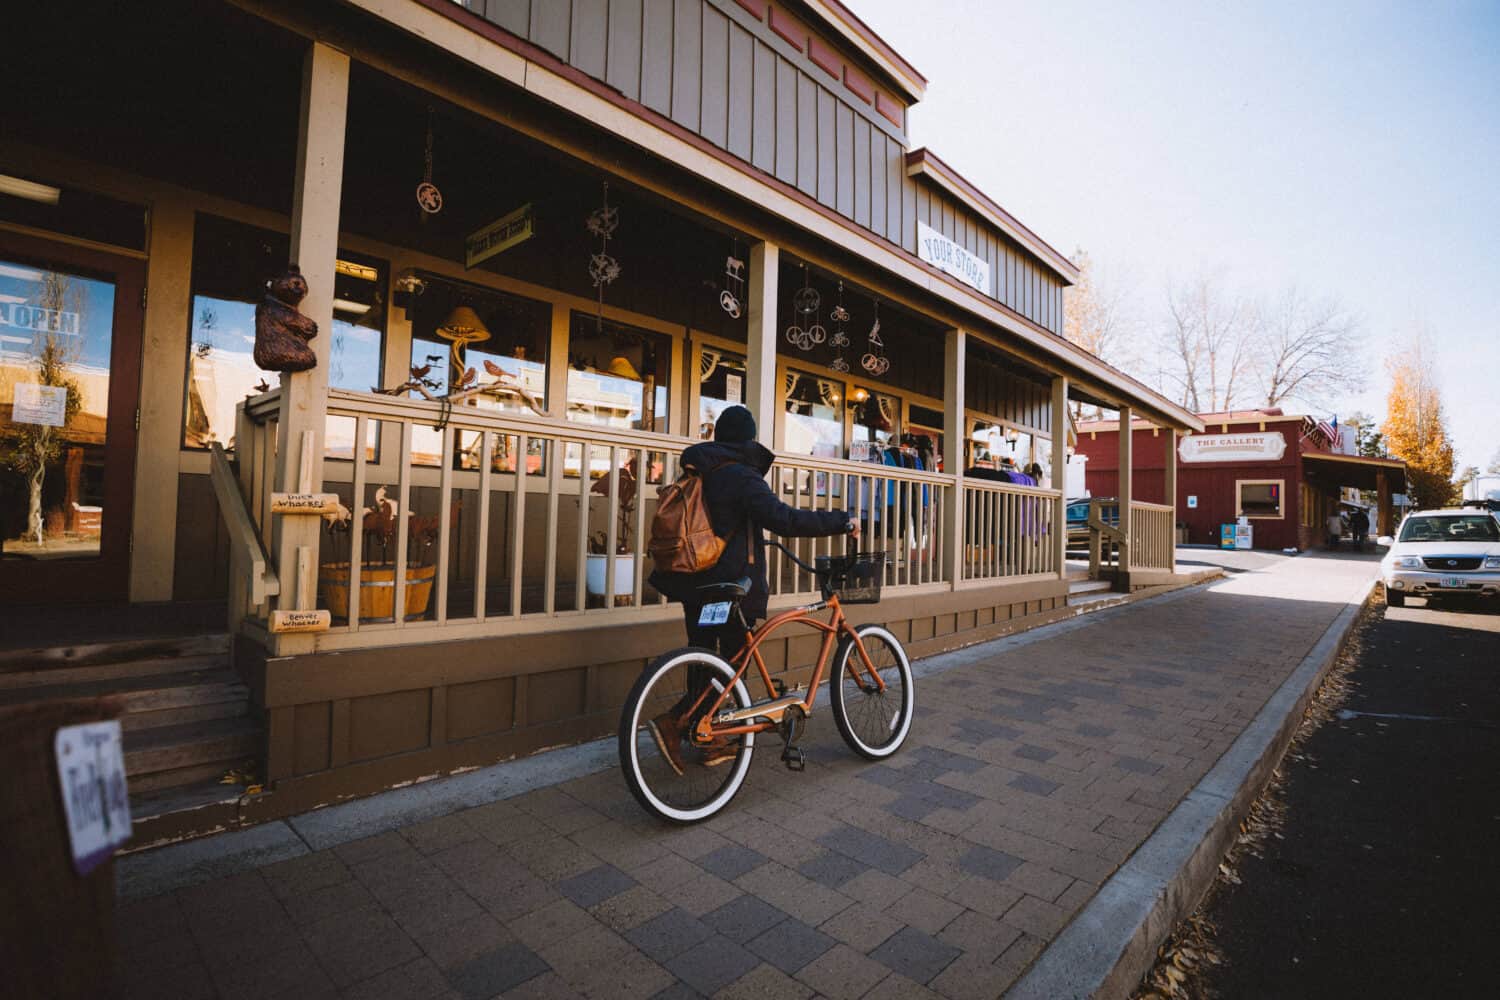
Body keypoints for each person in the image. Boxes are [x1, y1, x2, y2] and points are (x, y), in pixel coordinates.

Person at [647, 405, 857, 772]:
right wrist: (842, 520)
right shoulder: (741, 475)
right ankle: (677, 723)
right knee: (732, 663)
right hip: (729, 585)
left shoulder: (700, 471)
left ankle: (705, 736)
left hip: (694, 581)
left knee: (705, 660)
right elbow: (786, 519)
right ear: (748, 439)